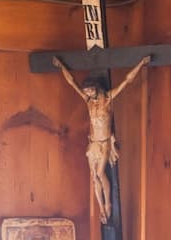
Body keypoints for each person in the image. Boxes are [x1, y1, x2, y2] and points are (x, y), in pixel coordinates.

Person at [53, 54, 151, 223]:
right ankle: (101, 208)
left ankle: (108, 204)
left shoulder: (107, 99)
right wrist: (61, 66)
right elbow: (72, 83)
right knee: (94, 176)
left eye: (90, 90)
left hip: (105, 143)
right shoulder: (88, 101)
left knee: (100, 173)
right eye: (86, 92)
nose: (88, 93)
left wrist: (141, 62)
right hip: (93, 143)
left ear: (96, 88)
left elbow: (126, 81)